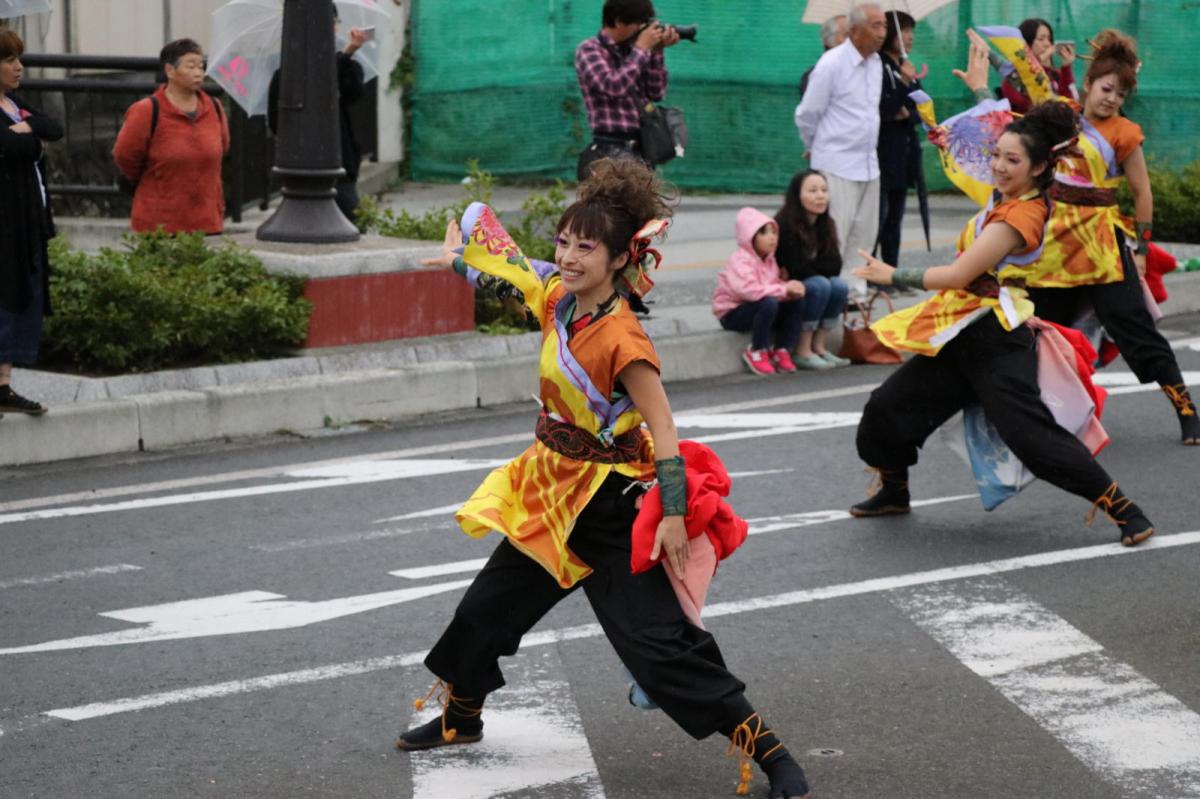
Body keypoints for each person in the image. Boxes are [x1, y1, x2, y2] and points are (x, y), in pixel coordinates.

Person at [401, 158, 813, 799]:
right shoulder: (560, 300)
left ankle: (772, 751)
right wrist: (458, 260)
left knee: (661, 647)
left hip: (615, 509)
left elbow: (666, 430)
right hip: (551, 496)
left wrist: (672, 514)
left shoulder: (624, 338)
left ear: (620, 259)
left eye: (585, 247)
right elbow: (514, 278)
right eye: (563, 241)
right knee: (484, 611)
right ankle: (461, 717)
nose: (566, 255)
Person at [848, 55, 1155, 547]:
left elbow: (958, 273)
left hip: (997, 340)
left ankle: (1125, 510)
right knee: (886, 409)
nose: (997, 165)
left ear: (1037, 168)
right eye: (998, 157)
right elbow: (978, 143)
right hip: (962, 331)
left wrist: (892, 274)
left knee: (1033, 437)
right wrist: (975, 92)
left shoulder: (1023, 216)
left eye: (1011, 161)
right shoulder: (1002, 193)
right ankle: (894, 490)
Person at [1022, 31, 1199, 445]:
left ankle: (1187, 411)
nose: (1112, 99)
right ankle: (1030, 415)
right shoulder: (1060, 117)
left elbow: (1143, 193)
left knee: (1136, 329)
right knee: (1041, 331)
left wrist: (1140, 249)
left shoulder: (1124, 133)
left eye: (1121, 93)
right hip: (1053, 245)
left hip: (1102, 244)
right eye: (1106, 89)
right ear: (1087, 84)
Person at [794, 3, 887, 299]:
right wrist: (813, 147)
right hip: (836, 163)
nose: (883, 33)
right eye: (876, 26)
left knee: (864, 237)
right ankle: (827, 298)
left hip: (869, 163)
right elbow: (808, 113)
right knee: (836, 236)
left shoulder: (877, 64)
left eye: (884, 25)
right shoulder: (832, 63)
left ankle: (854, 299)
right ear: (855, 31)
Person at [0, 27, 61, 417]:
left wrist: (31, 129)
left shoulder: (14, 103)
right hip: (3, 223)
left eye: (18, 58)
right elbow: (10, 146)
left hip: (25, 222)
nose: (19, 67)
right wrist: (30, 138)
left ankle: (3, 384)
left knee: (20, 297)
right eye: (9, 60)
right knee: (3, 300)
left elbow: (53, 126)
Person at [113, 38, 230, 235]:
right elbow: (125, 156)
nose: (198, 73)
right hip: (160, 224)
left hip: (207, 222)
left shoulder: (215, 108)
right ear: (170, 71)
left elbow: (223, 147)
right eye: (191, 66)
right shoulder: (147, 110)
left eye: (201, 67)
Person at [268, 17, 367, 222]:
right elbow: (277, 121)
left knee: (352, 221)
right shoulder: (286, 74)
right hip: (301, 167)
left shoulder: (346, 66)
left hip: (340, 164)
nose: (330, 28)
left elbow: (353, 92)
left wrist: (346, 56)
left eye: (333, 22)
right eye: (325, 21)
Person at [574, 0, 680, 180]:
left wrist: (656, 52)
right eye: (638, 25)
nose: (642, 31)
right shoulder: (590, 50)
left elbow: (656, 93)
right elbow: (613, 87)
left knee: (641, 207)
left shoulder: (634, 51)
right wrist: (641, 49)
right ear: (618, 23)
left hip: (641, 147)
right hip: (609, 148)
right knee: (612, 207)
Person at [712, 207, 806, 375]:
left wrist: (790, 288)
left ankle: (782, 349)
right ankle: (757, 350)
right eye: (764, 233)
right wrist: (783, 289)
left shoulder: (769, 260)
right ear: (749, 236)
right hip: (732, 313)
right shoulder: (740, 260)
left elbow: (771, 285)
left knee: (795, 302)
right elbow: (748, 291)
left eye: (774, 232)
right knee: (768, 303)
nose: (772, 237)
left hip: (756, 308)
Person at [775, 170, 851, 369]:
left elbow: (835, 265)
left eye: (824, 190)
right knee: (820, 285)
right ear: (797, 195)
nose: (820, 196)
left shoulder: (827, 224)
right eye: (813, 190)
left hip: (812, 280)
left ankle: (819, 346)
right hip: (785, 288)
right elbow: (796, 268)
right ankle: (802, 350)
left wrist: (814, 268)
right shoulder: (785, 223)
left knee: (839, 286)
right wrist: (818, 268)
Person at [875, 10, 925, 274]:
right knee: (878, 219)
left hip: (904, 155)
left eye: (911, 31)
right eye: (904, 30)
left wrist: (907, 114)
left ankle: (891, 272)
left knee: (895, 218)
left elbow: (921, 109)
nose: (910, 37)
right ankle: (872, 272)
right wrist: (903, 82)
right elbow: (883, 109)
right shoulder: (878, 65)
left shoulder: (905, 66)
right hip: (883, 152)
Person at [996, 18, 1077, 114]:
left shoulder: (1056, 74)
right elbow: (1034, 106)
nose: (1047, 44)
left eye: (1049, 39)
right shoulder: (1012, 79)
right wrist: (1039, 67)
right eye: (1041, 39)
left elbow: (1071, 105)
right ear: (1026, 44)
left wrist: (1066, 68)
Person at [798, 14, 848, 98]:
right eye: (847, 35)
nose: (855, 39)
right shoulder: (816, 74)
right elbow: (811, 109)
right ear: (829, 40)